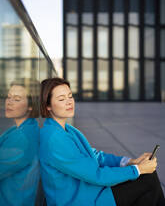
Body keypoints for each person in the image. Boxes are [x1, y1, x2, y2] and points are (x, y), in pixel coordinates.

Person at [39, 77, 165, 206]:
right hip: (78, 201)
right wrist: (137, 169)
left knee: (147, 179)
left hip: (89, 192)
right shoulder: (53, 138)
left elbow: (94, 155)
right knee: (147, 180)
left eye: (70, 96)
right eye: (61, 99)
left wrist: (129, 162)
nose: (69, 102)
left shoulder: (66, 129)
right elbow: (96, 175)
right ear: (48, 106)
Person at [0, 78, 40, 206]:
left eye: (17, 99)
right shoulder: (23, 128)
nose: (9, 103)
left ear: (31, 106)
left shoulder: (22, 138)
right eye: (8, 97)